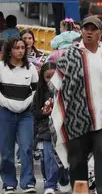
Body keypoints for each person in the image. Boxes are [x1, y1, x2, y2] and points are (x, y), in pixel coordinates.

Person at [50, 16, 102, 194]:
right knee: (77, 163)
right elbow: (56, 83)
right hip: (75, 118)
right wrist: (54, 103)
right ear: (82, 31)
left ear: (100, 32)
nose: (89, 32)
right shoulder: (70, 53)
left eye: (94, 29)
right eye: (86, 28)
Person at [0, 37, 39, 194]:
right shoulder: (0, 68)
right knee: (6, 151)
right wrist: (8, 104)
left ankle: (28, 183)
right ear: (9, 51)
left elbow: (35, 91)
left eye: (22, 48)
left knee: (26, 148)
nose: (20, 51)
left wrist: (26, 103)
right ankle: (9, 183)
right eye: (16, 48)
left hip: (26, 115)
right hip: (5, 114)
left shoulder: (30, 68)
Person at [33, 61, 69, 194]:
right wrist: (44, 112)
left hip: (63, 129)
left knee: (61, 157)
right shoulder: (40, 91)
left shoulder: (65, 90)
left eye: (53, 76)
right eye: (47, 77)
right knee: (47, 157)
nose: (51, 80)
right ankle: (50, 183)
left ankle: (60, 180)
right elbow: (35, 112)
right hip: (46, 130)